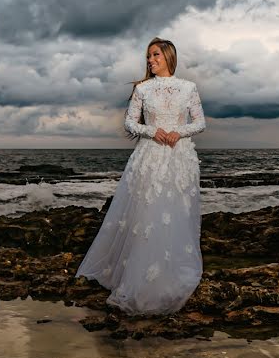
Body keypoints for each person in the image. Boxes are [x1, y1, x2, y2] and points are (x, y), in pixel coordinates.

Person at [74, 37, 206, 315]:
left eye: (155, 55)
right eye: (148, 56)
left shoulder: (188, 88)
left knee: (176, 214)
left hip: (179, 158)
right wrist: (152, 131)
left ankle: (171, 272)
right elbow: (130, 122)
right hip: (150, 156)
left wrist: (178, 132)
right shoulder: (143, 89)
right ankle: (140, 276)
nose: (150, 60)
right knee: (147, 215)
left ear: (169, 56)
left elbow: (200, 122)